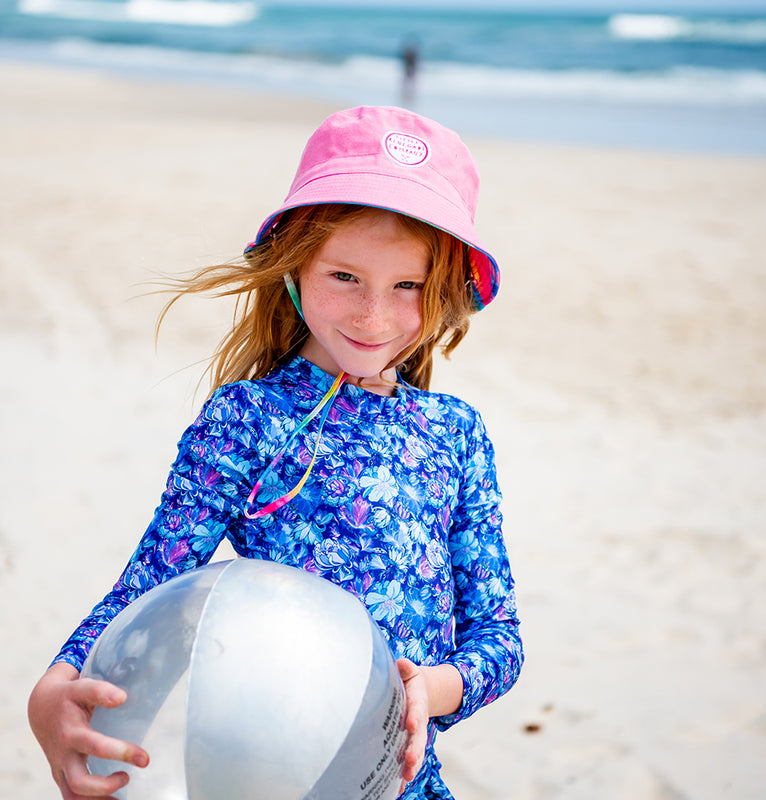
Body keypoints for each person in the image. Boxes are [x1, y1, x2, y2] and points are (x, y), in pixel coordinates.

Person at [28, 105, 524, 800]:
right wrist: (55, 685)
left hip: (407, 782)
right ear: (293, 267)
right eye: (345, 277)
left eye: (407, 286)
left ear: (444, 292)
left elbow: (499, 636)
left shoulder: (457, 433)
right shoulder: (246, 418)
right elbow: (150, 582)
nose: (372, 315)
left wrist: (433, 689)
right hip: (266, 778)